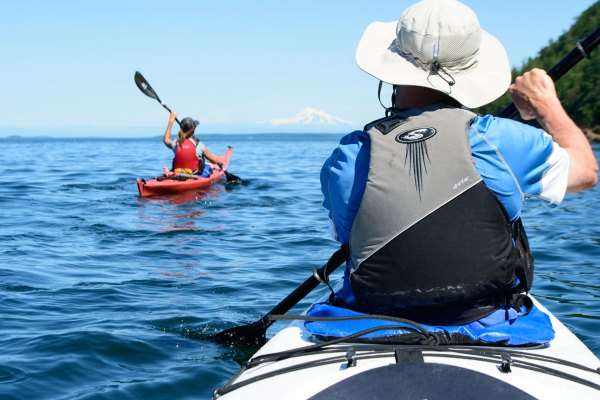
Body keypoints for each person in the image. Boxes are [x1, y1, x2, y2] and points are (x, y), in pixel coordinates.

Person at [320, 0, 597, 326]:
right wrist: (545, 104)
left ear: (391, 69)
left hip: (374, 321)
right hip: (486, 319)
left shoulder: (349, 156)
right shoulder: (503, 141)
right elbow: (587, 173)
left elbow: (351, 237)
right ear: (472, 68)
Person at [163, 111, 223, 176]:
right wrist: (218, 161)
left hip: (178, 173)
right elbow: (214, 160)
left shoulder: (176, 144)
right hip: (195, 175)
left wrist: (171, 121)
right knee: (206, 167)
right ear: (194, 130)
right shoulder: (200, 145)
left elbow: (166, 139)